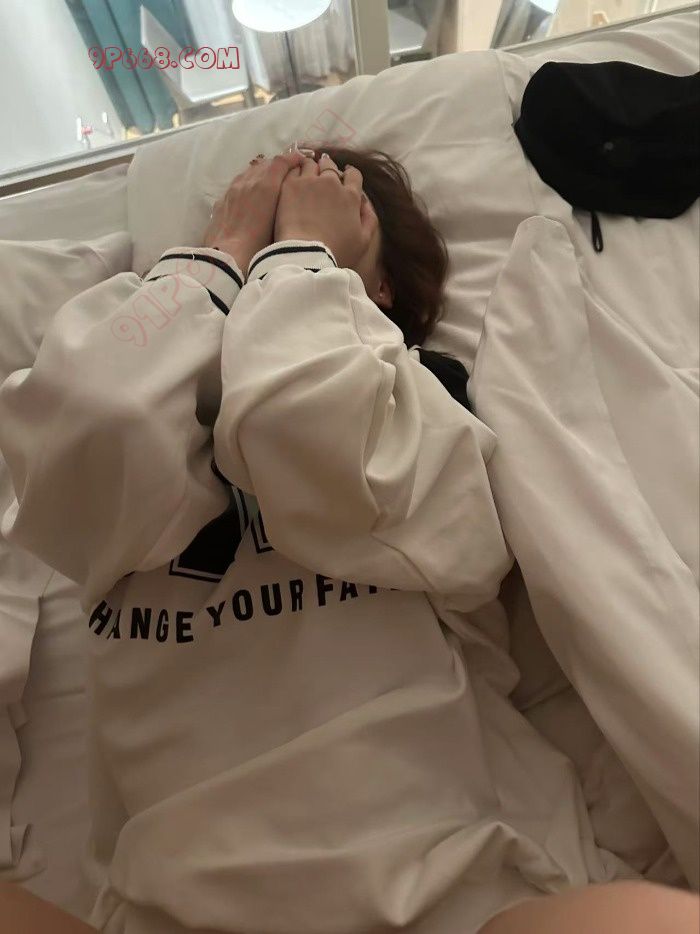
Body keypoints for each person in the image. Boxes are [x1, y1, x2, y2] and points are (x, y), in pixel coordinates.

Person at [0, 147, 697, 934]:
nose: (274, 245)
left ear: (381, 289)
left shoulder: (431, 399)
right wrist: (222, 254)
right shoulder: (121, 421)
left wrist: (300, 256)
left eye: (324, 214)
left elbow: (305, 427)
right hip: (171, 906)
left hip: (451, 889)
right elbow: (101, 412)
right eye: (261, 224)